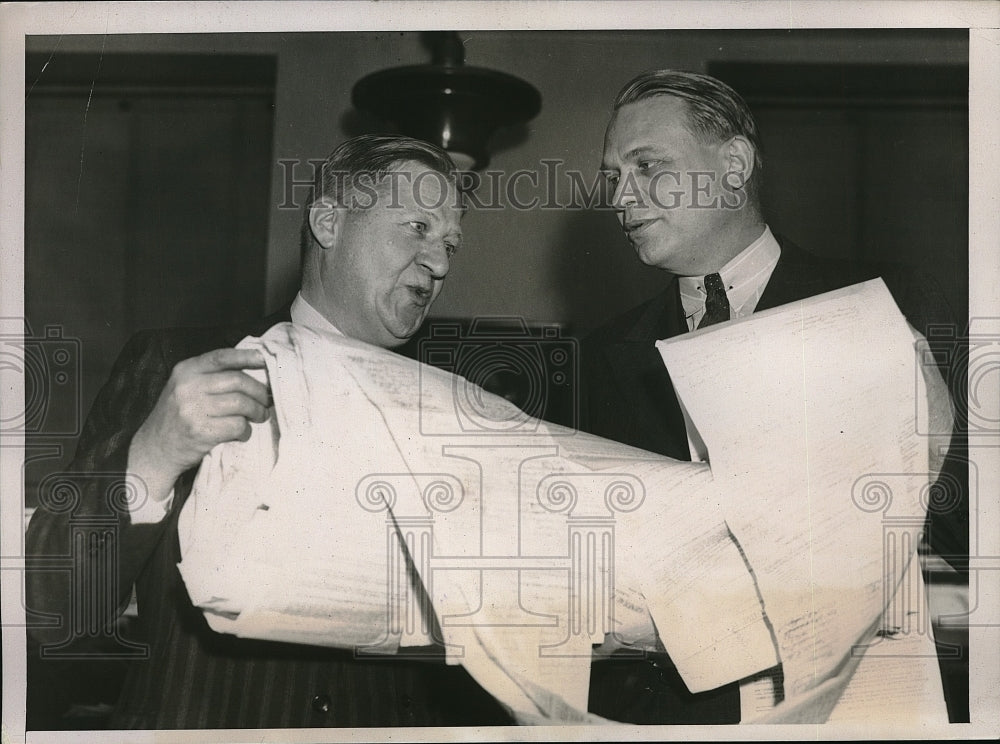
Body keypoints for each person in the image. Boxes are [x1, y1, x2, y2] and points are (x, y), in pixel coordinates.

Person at [25, 134, 513, 729]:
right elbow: (51, 609)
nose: (439, 265)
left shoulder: (457, 412)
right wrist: (152, 456)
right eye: (417, 228)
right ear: (329, 222)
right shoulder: (177, 364)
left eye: (451, 246)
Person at [581, 69, 966, 724]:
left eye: (648, 166)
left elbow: (964, 534)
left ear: (733, 164)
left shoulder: (892, 307)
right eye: (614, 174)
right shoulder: (600, 355)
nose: (621, 196)